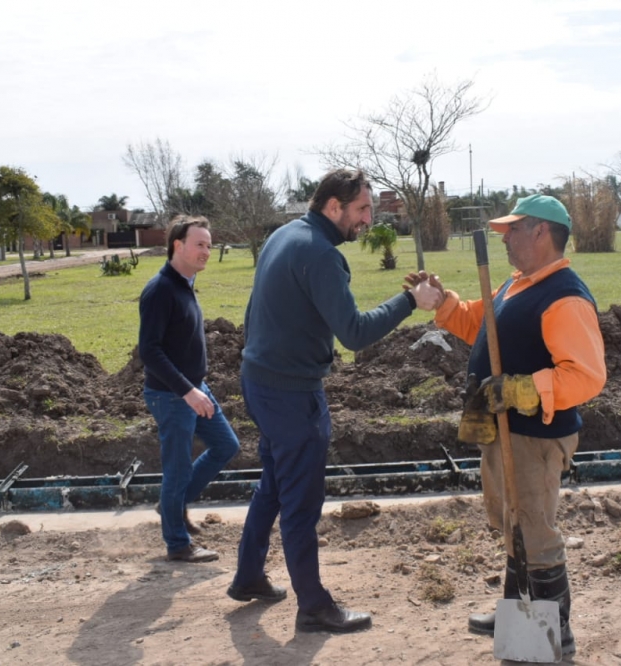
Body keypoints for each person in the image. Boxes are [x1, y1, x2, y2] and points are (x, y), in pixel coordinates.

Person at [227, 168, 442, 633]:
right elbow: (356, 334)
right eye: (362, 209)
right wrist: (411, 301)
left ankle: (248, 575)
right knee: (301, 500)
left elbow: (252, 311)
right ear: (333, 206)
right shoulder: (321, 254)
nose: (367, 219)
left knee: (275, 483)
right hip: (290, 392)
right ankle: (314, 607)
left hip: (259, 380)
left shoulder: (284, 235)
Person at [409, 194, 606, 656]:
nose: (504, 237)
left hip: (535, 437)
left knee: (534, 530)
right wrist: (444, 302)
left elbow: (586, 374)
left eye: (513, 229)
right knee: (511, 523)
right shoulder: (519, 284)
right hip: (505, 431)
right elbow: (480, 324)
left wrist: (522, 390)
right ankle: (517, 612)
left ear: (541, 232)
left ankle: (554, 633)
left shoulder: (564, 296)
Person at [139, 217, 240, 563]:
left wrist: (196, 388)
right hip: (171, 395)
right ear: (177, 245)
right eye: (200, 244)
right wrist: (188, 391)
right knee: (177, 469)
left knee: (226, 445)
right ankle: (177, 544)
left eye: (209, 245)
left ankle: (174, 505)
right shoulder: (160, 290)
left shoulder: (186, 283)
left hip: (195, 388)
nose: (206, 252)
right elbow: (149, 351)